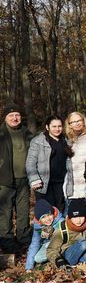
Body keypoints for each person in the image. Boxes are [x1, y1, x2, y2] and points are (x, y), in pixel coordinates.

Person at [0, 102, 33, 252]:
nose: (15, 118)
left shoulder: (27, 133)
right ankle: (7, 242)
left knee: (23, 211)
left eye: (17, 115)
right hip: (4, 180)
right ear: (5, 117)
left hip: (24, 180)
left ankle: (24, 239)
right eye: (11, 115)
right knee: (5, 213)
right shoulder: (1, 134)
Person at [26, 115, 73, 213]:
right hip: (44, 184)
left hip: (62, 183)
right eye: (54, 126)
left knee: (61, 211)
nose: (57, 129)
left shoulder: (66, 141)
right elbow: (30, 162)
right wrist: (34, 179)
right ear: (47, 127)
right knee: (47, 213)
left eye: (59, 126)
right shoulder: (38, 141)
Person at [46, 198, 86, 269]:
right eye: (75, 217)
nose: (78, 220)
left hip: (83, 252)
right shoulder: (62, 229)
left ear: (85, 216)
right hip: (67, 253)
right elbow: (51, 249)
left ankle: (73, 264)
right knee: (83, 243)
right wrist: (58, 260)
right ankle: (68, 262)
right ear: (70, 217)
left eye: (81, 216)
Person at [64, 112, 86, 200]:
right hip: (73, 187)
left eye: (79, 120)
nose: (77, 123)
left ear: (84, 121)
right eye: (73, 122)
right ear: (69, 125)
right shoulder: (67, 140)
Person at [25, 199, 64, 272]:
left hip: (62, 244)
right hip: (48, 245)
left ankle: (59, 258)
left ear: (53, 214)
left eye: (49, 215)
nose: (47, 219)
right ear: (39, 220)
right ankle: (54, 257)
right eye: (43, 217)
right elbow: (34, 244)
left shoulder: (61, 221)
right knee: (37, 258)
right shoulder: (38, 228)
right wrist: (29, 266)